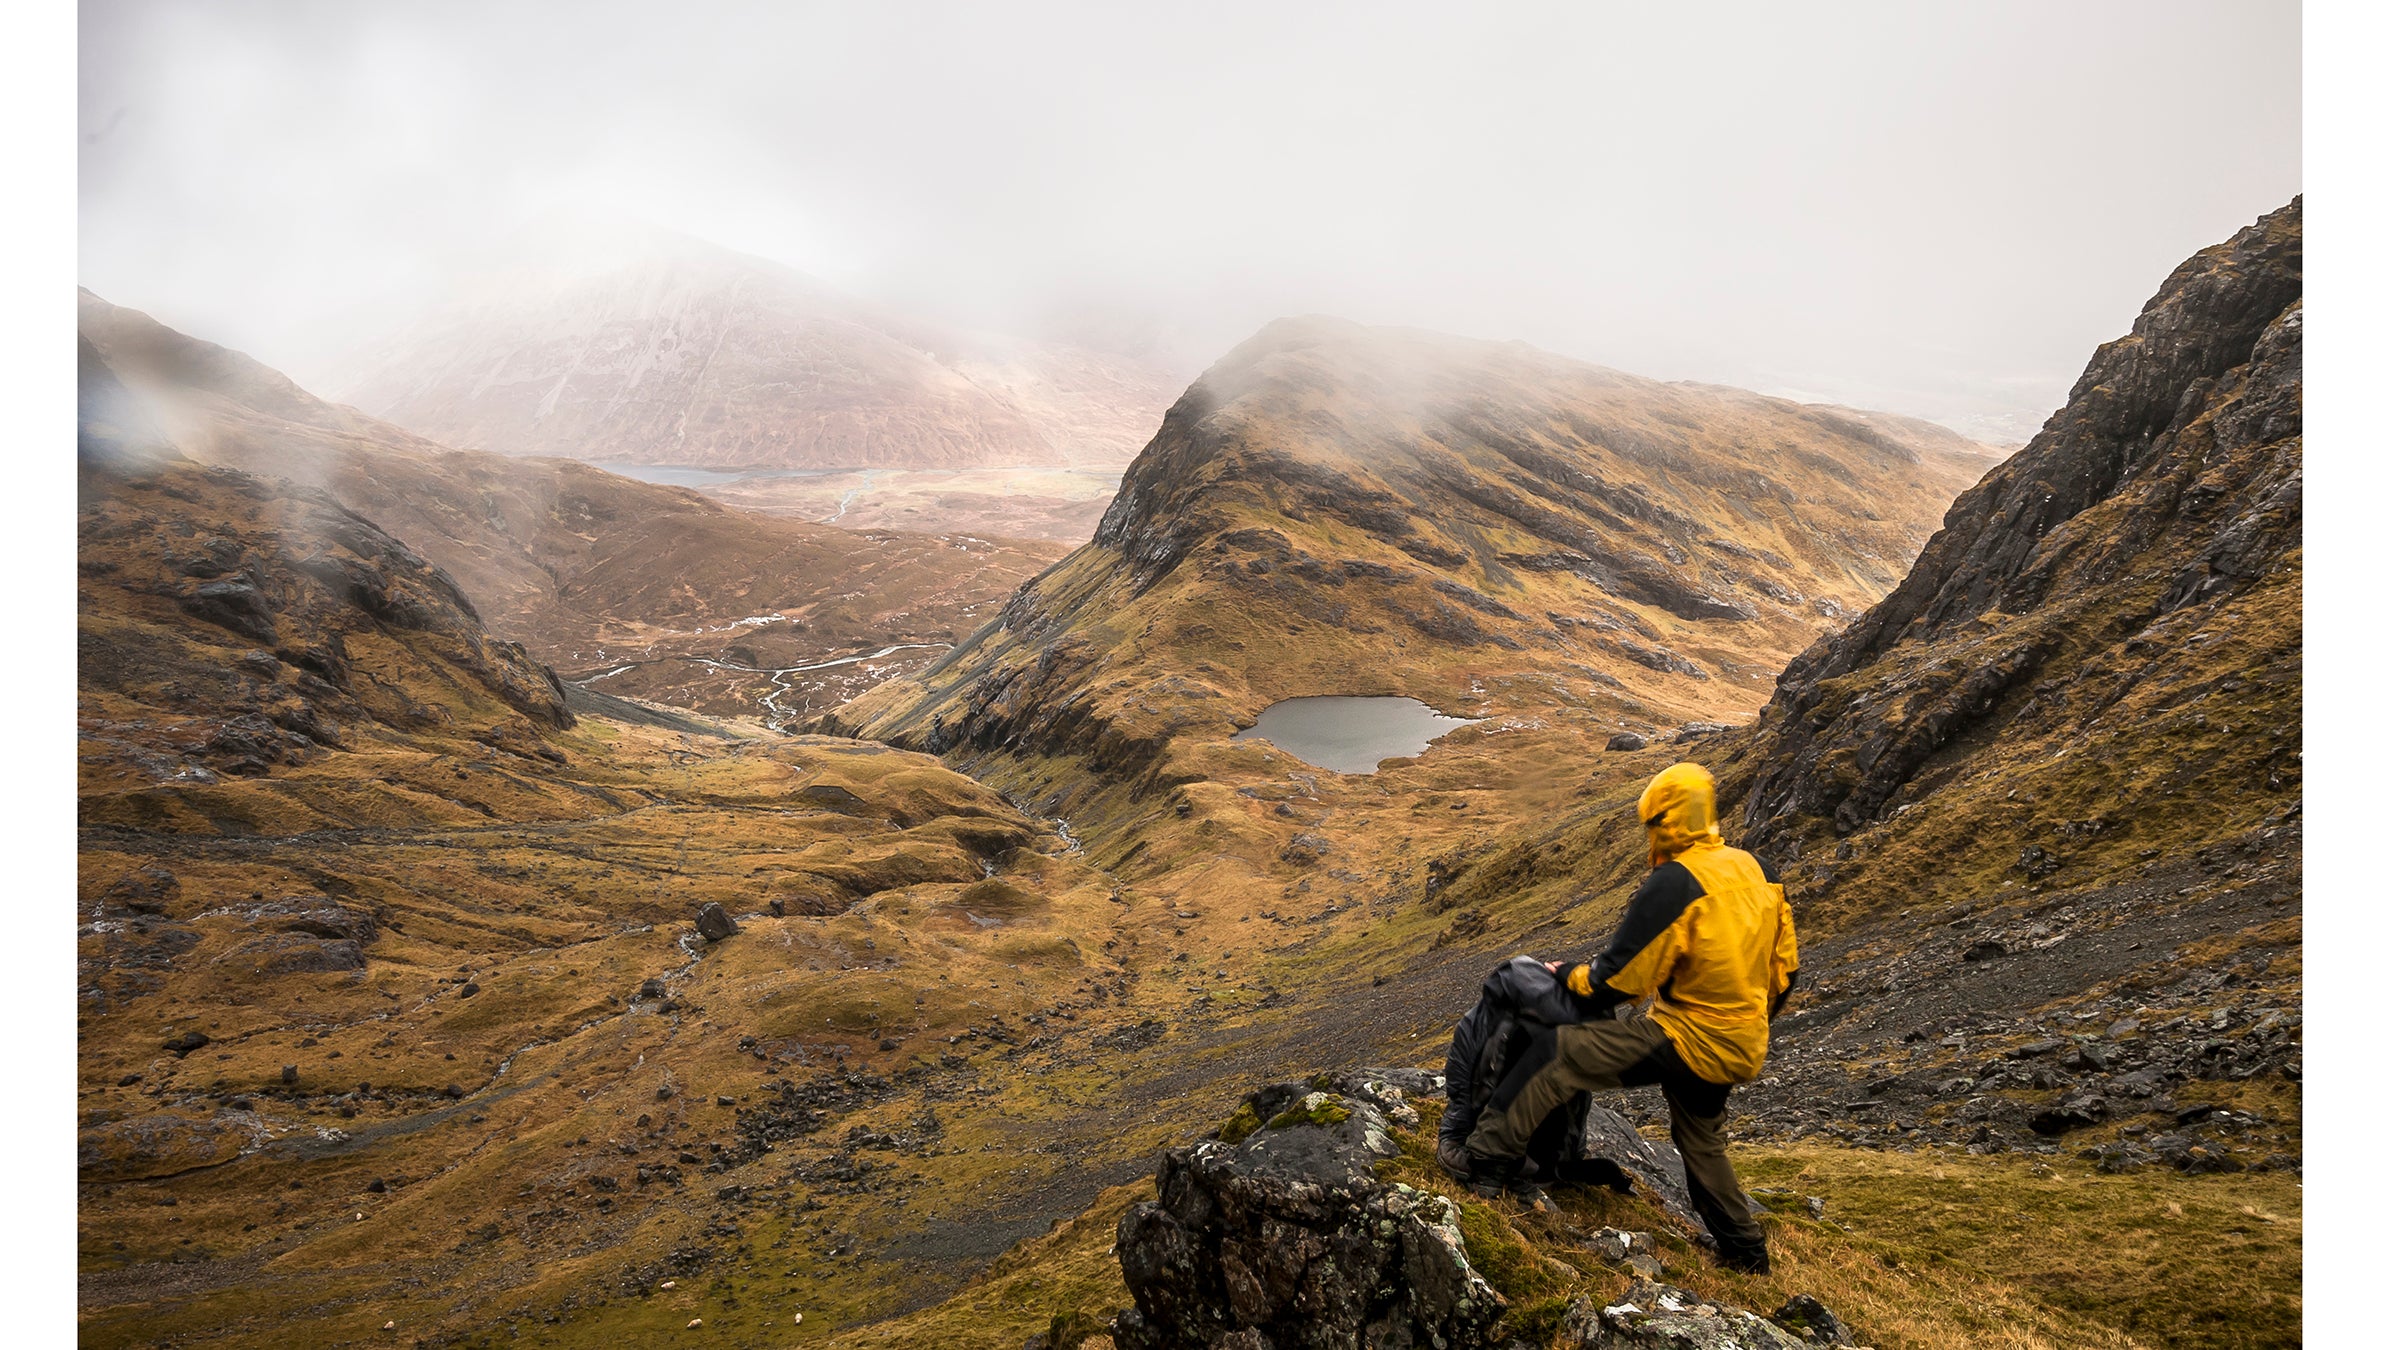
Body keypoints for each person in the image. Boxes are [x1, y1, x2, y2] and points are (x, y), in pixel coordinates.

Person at [1461, 761, 1798, 1274]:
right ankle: (1746, 1253)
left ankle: (1486, 1163)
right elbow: (1786, 969)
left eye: (1653, 822)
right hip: (1742, 1040)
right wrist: (1751, 1018)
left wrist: (1568, 971)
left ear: (1668, 820)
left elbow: (1618, 981)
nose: (1650, 834)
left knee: (1560, 1055)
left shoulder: (1676, 883)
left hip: (1688, 1036)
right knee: (1701, 1138)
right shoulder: (1760, 870)